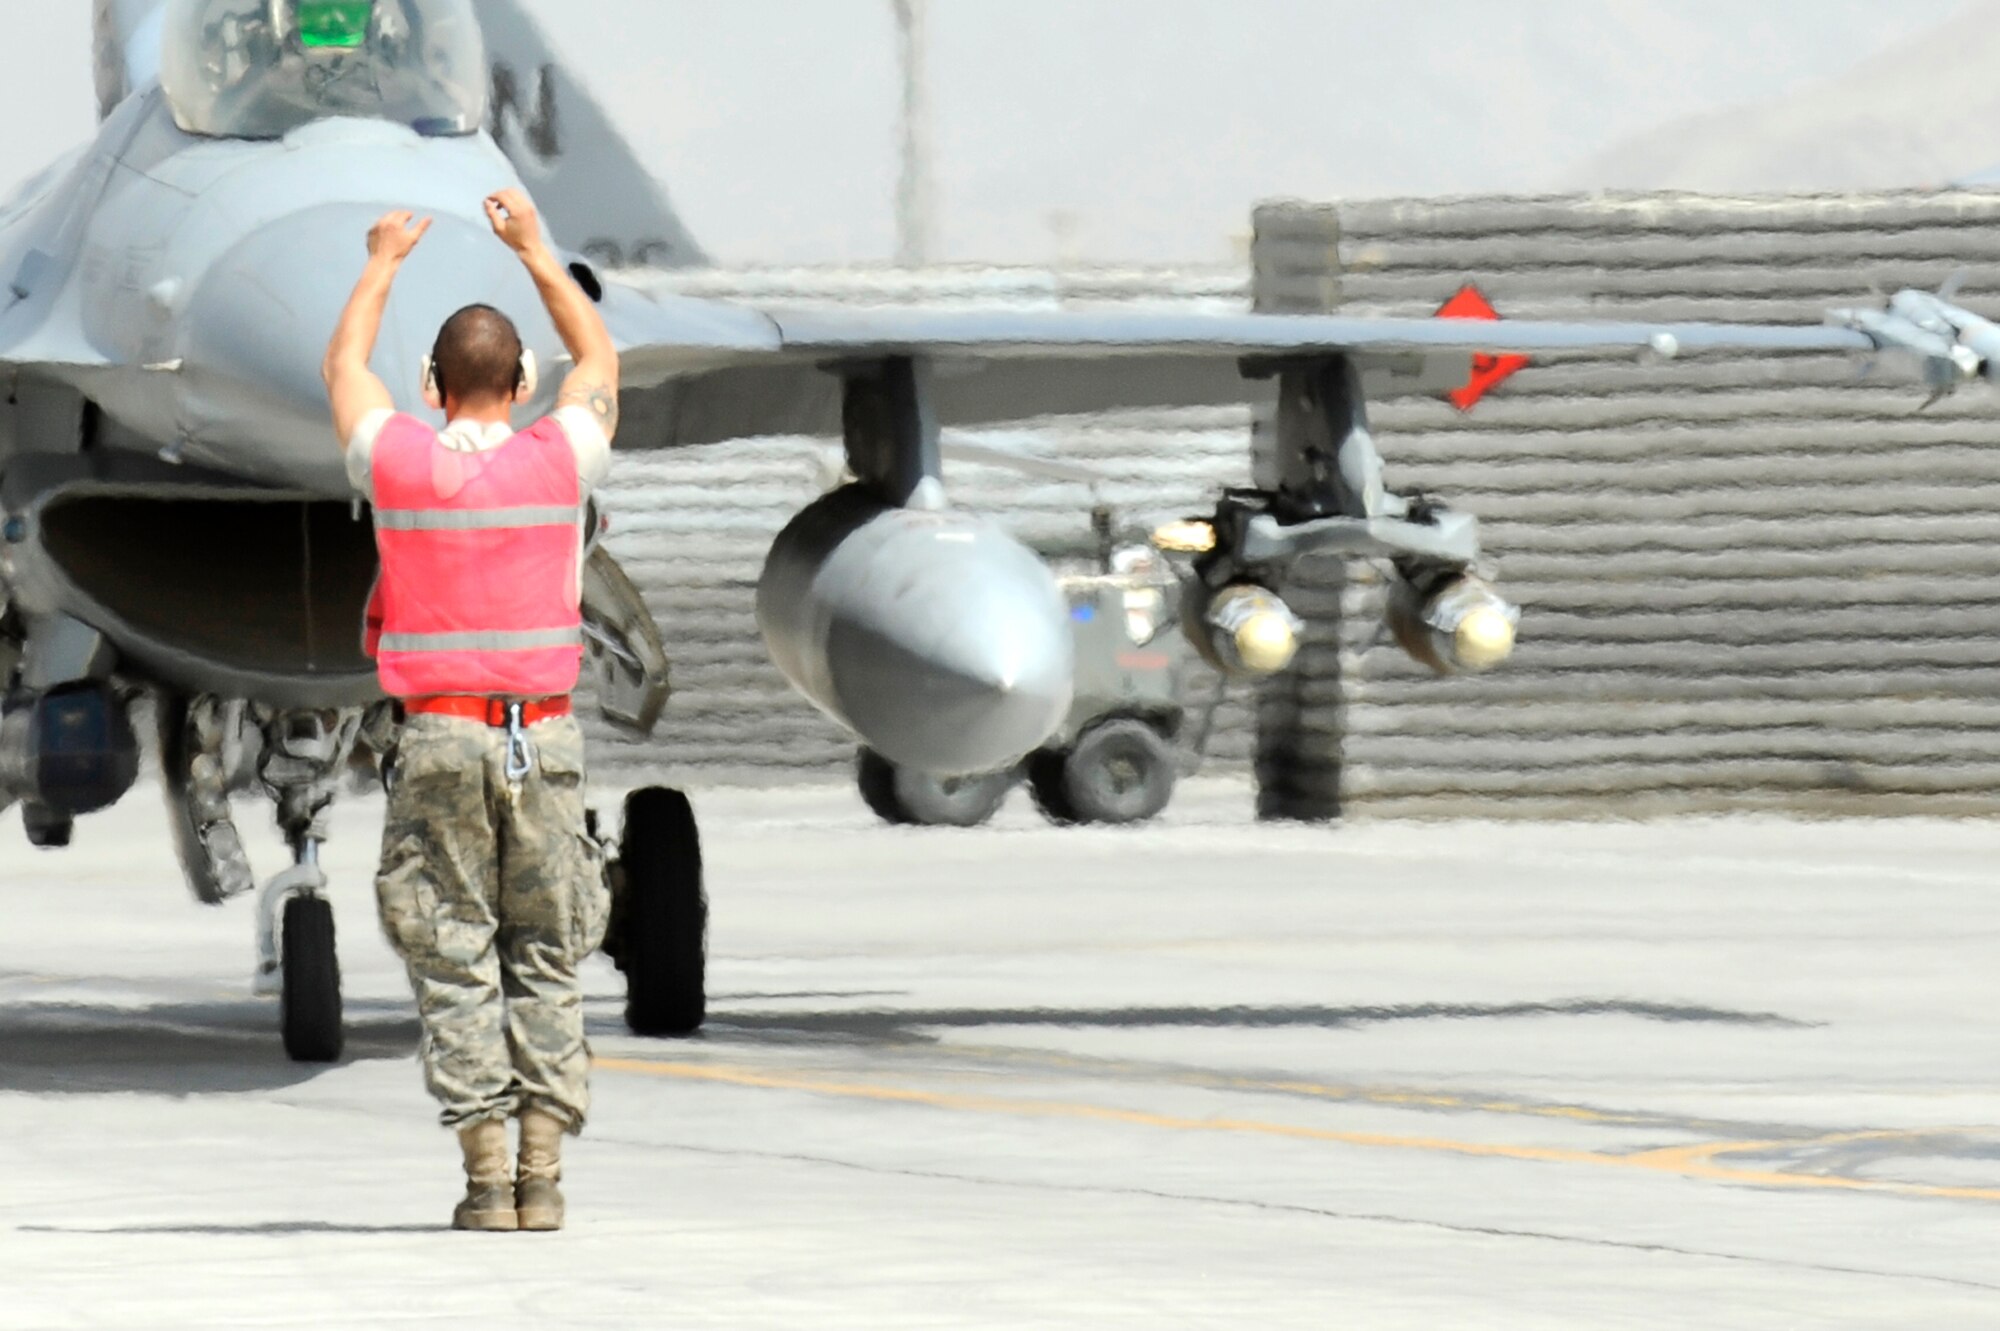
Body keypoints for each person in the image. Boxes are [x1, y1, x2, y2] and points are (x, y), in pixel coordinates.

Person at [321, 189, 621, 1233]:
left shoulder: (396, 461)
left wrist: (380, 263)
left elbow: (343, 373)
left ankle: (484, 1181)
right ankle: (543, 1179)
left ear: (431, 383)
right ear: (522, 382)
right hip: (544, 736)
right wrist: (536, 249)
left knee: (452, 951)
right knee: (545, 948)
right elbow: (600, 366)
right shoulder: (558, 461)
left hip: (438, 738)